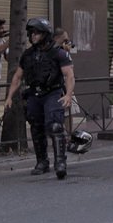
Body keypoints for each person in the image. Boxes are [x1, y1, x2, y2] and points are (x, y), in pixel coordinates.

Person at [4, 18, 75, 179]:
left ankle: (60, 162)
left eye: (37, 33)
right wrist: (9, 97)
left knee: (55, 126)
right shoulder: (28, 55)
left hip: (53, 93)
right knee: (36, 127)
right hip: (34, 94)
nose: (33, 36)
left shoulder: (58, 52)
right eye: (31, 33)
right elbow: (17, 77)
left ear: (45, 34)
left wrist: (68, 94)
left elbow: (69, 75)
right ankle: (42, 162)